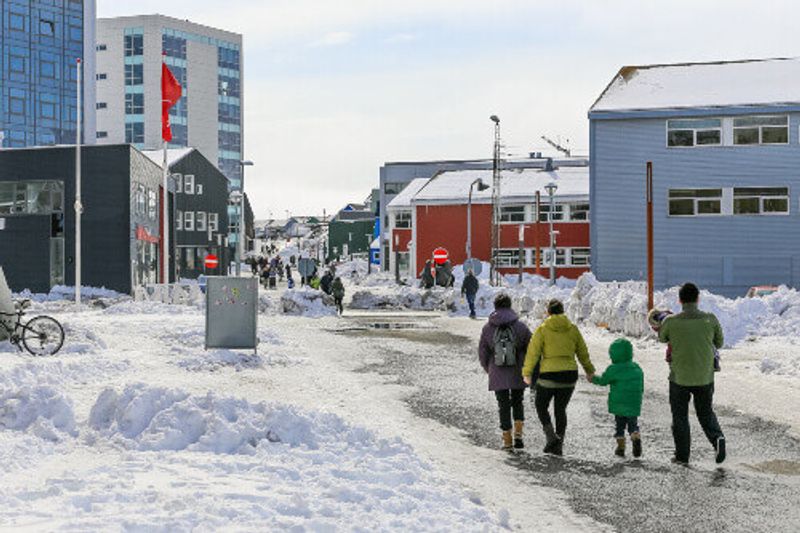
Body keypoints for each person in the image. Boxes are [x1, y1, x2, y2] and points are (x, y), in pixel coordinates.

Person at [658, 283, 726, 465]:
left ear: (680, 300)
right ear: (698, 299)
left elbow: (662, 337)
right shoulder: (710, 319)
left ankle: (682, 456)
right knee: (705, 413)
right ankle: (717, 438)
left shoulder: (671, 322)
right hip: (704, 377)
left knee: (680, 416)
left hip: (679, 377)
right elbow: (719, 342)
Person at [522, 299, 595, 456]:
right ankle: (558, 444)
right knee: (560, 409)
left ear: (548, 312)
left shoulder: (542, 329)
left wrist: (527, 373)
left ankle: (550, 437)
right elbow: (583, 352)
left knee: (540, 405)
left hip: (548, 375)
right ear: (563, 312)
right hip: (569, 376)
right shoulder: (573, 329)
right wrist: (589, 370)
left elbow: (533, 353)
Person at [479, 293, 532, 450]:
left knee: (503, 404)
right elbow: (531, 347)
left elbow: (483, 352)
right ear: (510, 306)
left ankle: (507, 441)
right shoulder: (520, 326)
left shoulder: (488, 328)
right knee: (517, 401)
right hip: (517, 369)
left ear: (495, 307)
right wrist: (526, 366)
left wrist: (488, 368)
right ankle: (518, 435)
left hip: (497, 370)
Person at [591, 338, 644, 458]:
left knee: (619, 426)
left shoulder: (613, 369)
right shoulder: (636, 367)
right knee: (633, 424)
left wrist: (592, 378)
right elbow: (641, 385)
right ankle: (635, 436)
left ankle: (621, 448)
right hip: (633, 403)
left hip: (619, 403)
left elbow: (603, 381)